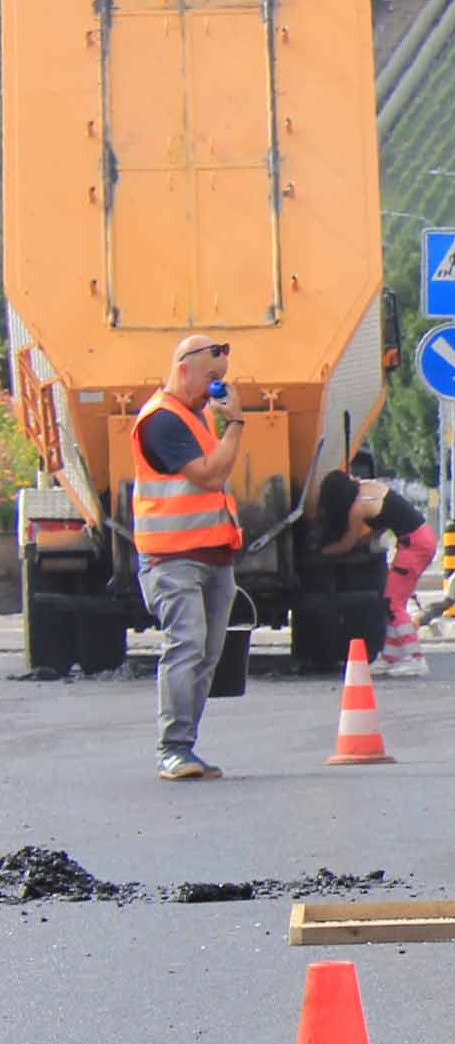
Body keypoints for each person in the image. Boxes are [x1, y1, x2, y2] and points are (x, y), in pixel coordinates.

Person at [131, 333, 246, 779]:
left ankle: (186, 747)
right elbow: (208, 476)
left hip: (214, 556)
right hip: (172, 558)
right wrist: (236, 424)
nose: (215, 389)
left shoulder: (196, 417)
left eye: (221, 381)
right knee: (187, 645)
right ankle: (173, 748)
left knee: (207, 654)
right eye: (211, 379)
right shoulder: (162, 420)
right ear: (183, 369)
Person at [306, 468, 434, 679]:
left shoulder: (357, 509)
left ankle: (416, 658)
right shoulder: (370, 487)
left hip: (414, 545)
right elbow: (381, 523)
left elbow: (347, 543)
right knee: (392, 600)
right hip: (421, 538)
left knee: (394, 604)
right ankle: (389, 658)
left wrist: (321, 552)